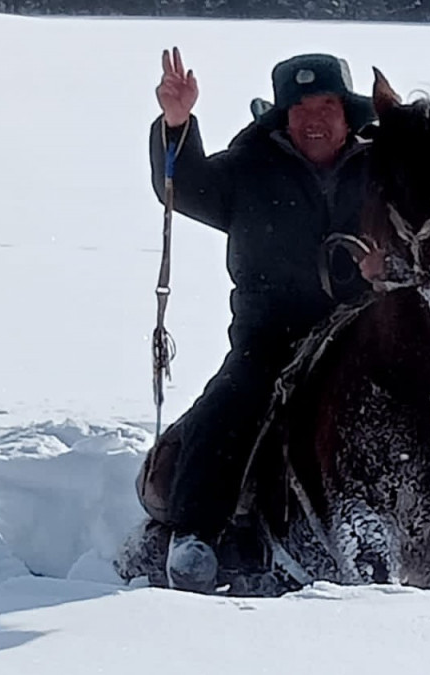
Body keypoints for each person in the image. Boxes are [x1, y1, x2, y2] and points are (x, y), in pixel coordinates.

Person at [140, 47, 378, 592]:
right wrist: (177, 125)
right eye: (299, 108)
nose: (313, 119)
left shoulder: (381, 167)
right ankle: (196, 533)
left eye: (324, 105)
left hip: (363, 332)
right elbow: (184, 186)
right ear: (282, 116)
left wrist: (386, 264)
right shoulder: (250, 166)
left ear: (347, 112)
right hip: (271, 336)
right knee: (233, 403)